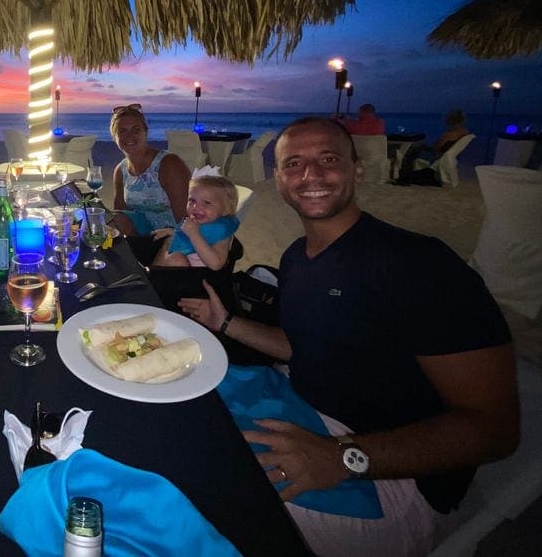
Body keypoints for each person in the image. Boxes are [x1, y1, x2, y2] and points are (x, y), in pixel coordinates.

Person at [178, 117, 518, 556]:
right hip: (303, 411)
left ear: (357, 170)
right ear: (278, 180)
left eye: (329, 159)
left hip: (387, 479)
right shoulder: (297, 259)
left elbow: (497, 431)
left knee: (199, 499)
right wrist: (225, 322)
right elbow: (307, 346)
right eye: (294, 163)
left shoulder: (419, 266)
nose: (311, 174)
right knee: (181, 415)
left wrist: (343, 456)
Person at [109, 104, 190, 256]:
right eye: (122, 131)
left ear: (146, 131)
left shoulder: (168, 164)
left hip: (172, 235)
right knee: (110, 221)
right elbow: (120, 214)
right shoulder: (121, 170)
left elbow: (186, 217)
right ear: (115, 137)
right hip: (142, 237)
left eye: (136, 129)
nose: (130, 136)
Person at [153, 174, 239, 269]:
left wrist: (194, 234)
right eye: (192, 200)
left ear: (226, 209)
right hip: (177, 277)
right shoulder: (195, 224)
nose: (195, 207)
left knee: (176, 260)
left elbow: (216, 264)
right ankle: (149, 278)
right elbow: (186, 237)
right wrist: (175, 233)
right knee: (167, 244)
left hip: (201, 279)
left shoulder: (221, 232)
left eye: (207, 203)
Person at [396, 109, 470, 185]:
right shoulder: (465, 132)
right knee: (419, 147)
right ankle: (407, 174)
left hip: (437, 155)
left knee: (412, 150)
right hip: (445, 154)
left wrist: (427, 146)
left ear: (450, 120)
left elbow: (436, 147)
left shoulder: (451, 134)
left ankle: (405, 175)